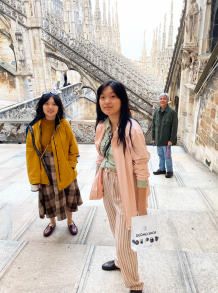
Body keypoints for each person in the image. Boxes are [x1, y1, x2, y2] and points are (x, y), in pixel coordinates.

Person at [93, 80, 150, 293]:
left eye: (112, 96)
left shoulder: (132, 129)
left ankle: (135, 285)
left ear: (122, 99)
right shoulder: (102, 125)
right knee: (115, 228)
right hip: (107, 182)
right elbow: (100, 153)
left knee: (126, 238)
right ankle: (119, 261)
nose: (107, 101)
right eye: (102, 97)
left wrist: (142, 205)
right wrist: (98, 175)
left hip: (127, 184)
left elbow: (142, 168)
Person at [26, 92, 82, 237]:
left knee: (68, 197)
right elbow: (31, 155)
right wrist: (34, 179)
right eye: (47, 103)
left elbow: (73, 148)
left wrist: (71, 165)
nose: (50, 107)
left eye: (54, 104)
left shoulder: (64, 124)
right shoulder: (34, 128)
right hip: (45, 169)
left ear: (59, 107)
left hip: (64, 167)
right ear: (41, 106)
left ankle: (70, 222)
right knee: (49, 198)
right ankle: (52, 223)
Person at [152, 93, 178, 178]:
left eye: (164, 99)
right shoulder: (156, 111)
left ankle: (169, 171)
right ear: (159, 100)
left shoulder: (172, 112)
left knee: (167, 156)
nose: (162, 100)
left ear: (168, 100)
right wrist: (153, 138)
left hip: (167, 140)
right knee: (160, 155)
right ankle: (162, 169)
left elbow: (174, 127)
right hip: (158, 139)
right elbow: (153, 125)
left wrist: (171, 140)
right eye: (161, 99)